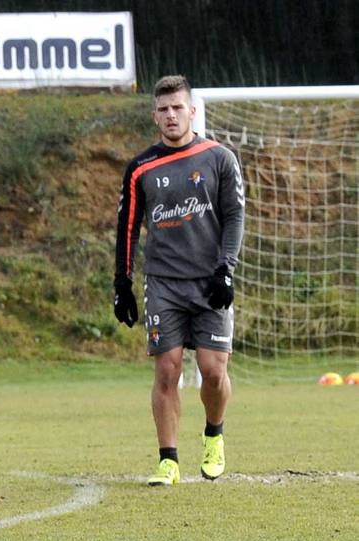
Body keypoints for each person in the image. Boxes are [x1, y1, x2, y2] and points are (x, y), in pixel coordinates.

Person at [113, 74, 244, 485]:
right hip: (164, 284)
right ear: (155, 116)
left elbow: (235, 216)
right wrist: (122, 282)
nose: (171, 116)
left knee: (212, 371)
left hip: (209, 280)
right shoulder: (141, 169)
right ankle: (168, 460)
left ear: (191, 110)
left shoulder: (219, 158)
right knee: (167, 370)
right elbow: (128, 226)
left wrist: (226, 268)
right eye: (163, 110)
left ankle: (214, 434)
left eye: (177, 108)